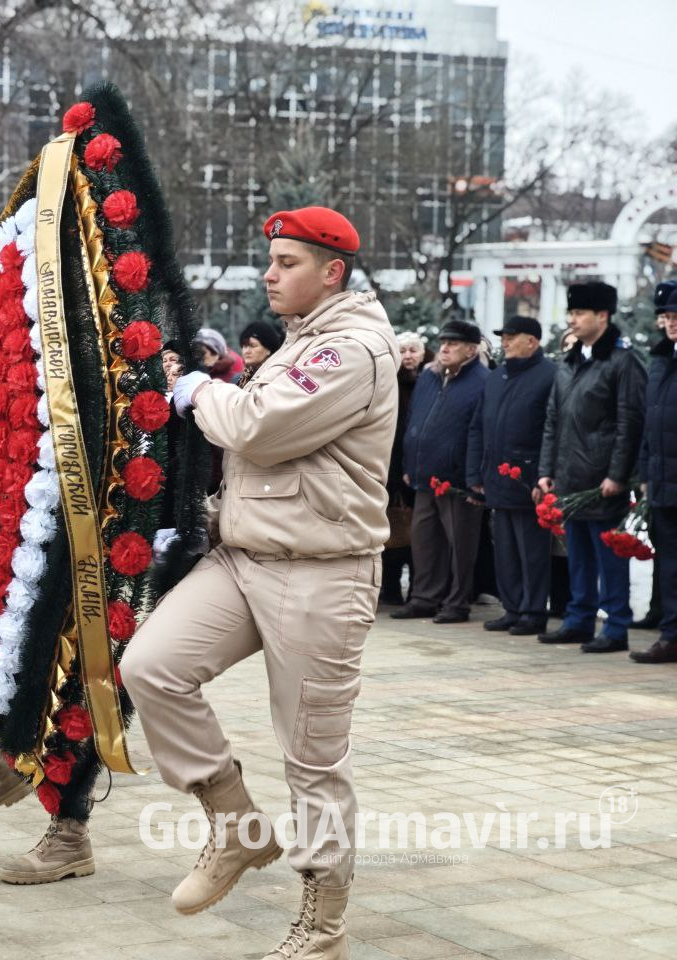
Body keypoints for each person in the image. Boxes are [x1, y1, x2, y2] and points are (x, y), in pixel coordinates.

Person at [121, 207, 398, 959]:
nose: (271, 275)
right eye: (271, 261)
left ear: (332, 272)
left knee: (312, 762)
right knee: (151, 668)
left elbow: (257, 428)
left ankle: (322, 927)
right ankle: (238, 828)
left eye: (287, 262)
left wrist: (198, 392)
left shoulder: (351, 347)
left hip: (322, 572)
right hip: (245, 558)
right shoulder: (305, 340)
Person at [537, 282, 646, 653]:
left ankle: (616, 627)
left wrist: (617, 474)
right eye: (570, 313)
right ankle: (579, 620)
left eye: (580, 313)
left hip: (602, 481)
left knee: (609, 558)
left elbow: (629, 423)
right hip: (570, 480)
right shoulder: (569, 361)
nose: (573, 320)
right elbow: (553, 419)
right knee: (578, 557)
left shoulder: (621, 361)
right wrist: (545, 469)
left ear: (603, 316)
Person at [394, 319, 489, 623]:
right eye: (443, 342)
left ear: (471, 350)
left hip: (458, 479)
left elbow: (480, 433)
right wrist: (410, 464)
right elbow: (413, 421)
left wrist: (474, 478)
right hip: (423, 475)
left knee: (459, 544)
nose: (444, 348)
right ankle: (424, 597)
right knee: (424, 542)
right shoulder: (429, 377)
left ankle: (457, 601)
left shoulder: (483, 381)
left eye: (454, 344)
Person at [467, 317, 556, 635]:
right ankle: (513, 607)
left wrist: (546, 472)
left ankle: (533, 611)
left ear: (532, 341)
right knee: (504, 548)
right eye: (503, 336)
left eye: (512, 336)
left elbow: (552, 428)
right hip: (496, 476)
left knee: (531, 550)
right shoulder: (497, 376)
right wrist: (475, 471)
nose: (505, 341)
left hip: (528, 477)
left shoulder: (549, 375)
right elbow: (478, 425)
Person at [633, 283, 677, 664]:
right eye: (669, 317)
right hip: (664, 483)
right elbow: (650, 424)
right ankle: (672, 634)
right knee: (670, 566)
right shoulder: (662, 360)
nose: (672, 323)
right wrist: (646, 474)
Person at [383, 332, 428, 604]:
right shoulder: (389, 383)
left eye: (413, 350)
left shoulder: (430, 382)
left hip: (418, 468)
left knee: (417, 535)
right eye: (402, 350)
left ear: (423, 354)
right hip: (390, 467)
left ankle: (416, 589)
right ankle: (389, 588)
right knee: (390, 531)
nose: (408, 356)